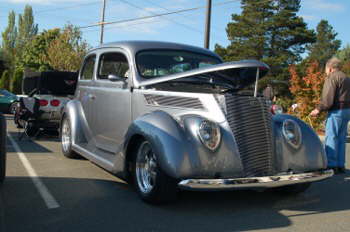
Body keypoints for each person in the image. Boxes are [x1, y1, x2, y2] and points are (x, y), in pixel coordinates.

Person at [310, 57, 350, 174]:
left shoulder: (332, 78)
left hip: (336, 111)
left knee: (331, 137)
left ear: (330, 68)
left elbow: (328, 99)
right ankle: (340, 165)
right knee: (341, 138)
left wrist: (318, 109)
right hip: (347, 111)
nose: (325, 72)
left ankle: (331, 165)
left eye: (325, 69)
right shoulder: (346, 78)